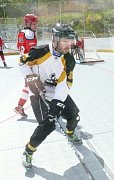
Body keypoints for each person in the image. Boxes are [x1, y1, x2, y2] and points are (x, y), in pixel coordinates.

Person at [20, 23, 82, 169]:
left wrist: (57, 102)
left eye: (70, 41)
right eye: (64, 41)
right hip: (38, 94)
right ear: (55, 39)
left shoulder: (69, 60)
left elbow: (65, 83)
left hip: (57, 93)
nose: (68, 45)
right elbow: (22, 63)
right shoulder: (39, 52)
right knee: (48, 125)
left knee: (74, 114)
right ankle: (28, 151)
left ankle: (70, 132)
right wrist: (31, 79)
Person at [14, 14, 38, 117]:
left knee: (28, 86)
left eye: (36, 23)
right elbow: (32, 51)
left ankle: (19, 107)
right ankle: (40, 109)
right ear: (28, 23)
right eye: (34, 23)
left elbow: (19, 47)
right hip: (28, 65)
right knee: (34, 86)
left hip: (24, 64)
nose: (36, 26)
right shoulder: (29, 33)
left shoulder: (21, 33)